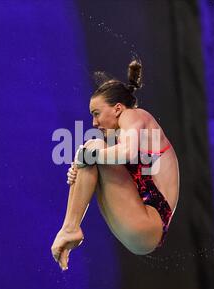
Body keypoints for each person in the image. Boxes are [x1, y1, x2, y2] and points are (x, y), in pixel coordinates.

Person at [51, 60, 179, 271]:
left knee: (92, 147)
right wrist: (79, 169)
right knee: (92, 149)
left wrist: (86, 156)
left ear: (118, 108)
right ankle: (69, 228)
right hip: (143, 224)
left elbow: (125, 153)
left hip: (150, 220)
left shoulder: (135, 116)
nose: (94, 123)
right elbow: (103, 160)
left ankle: (70, 228)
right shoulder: (117, 137)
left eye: (96, 113)